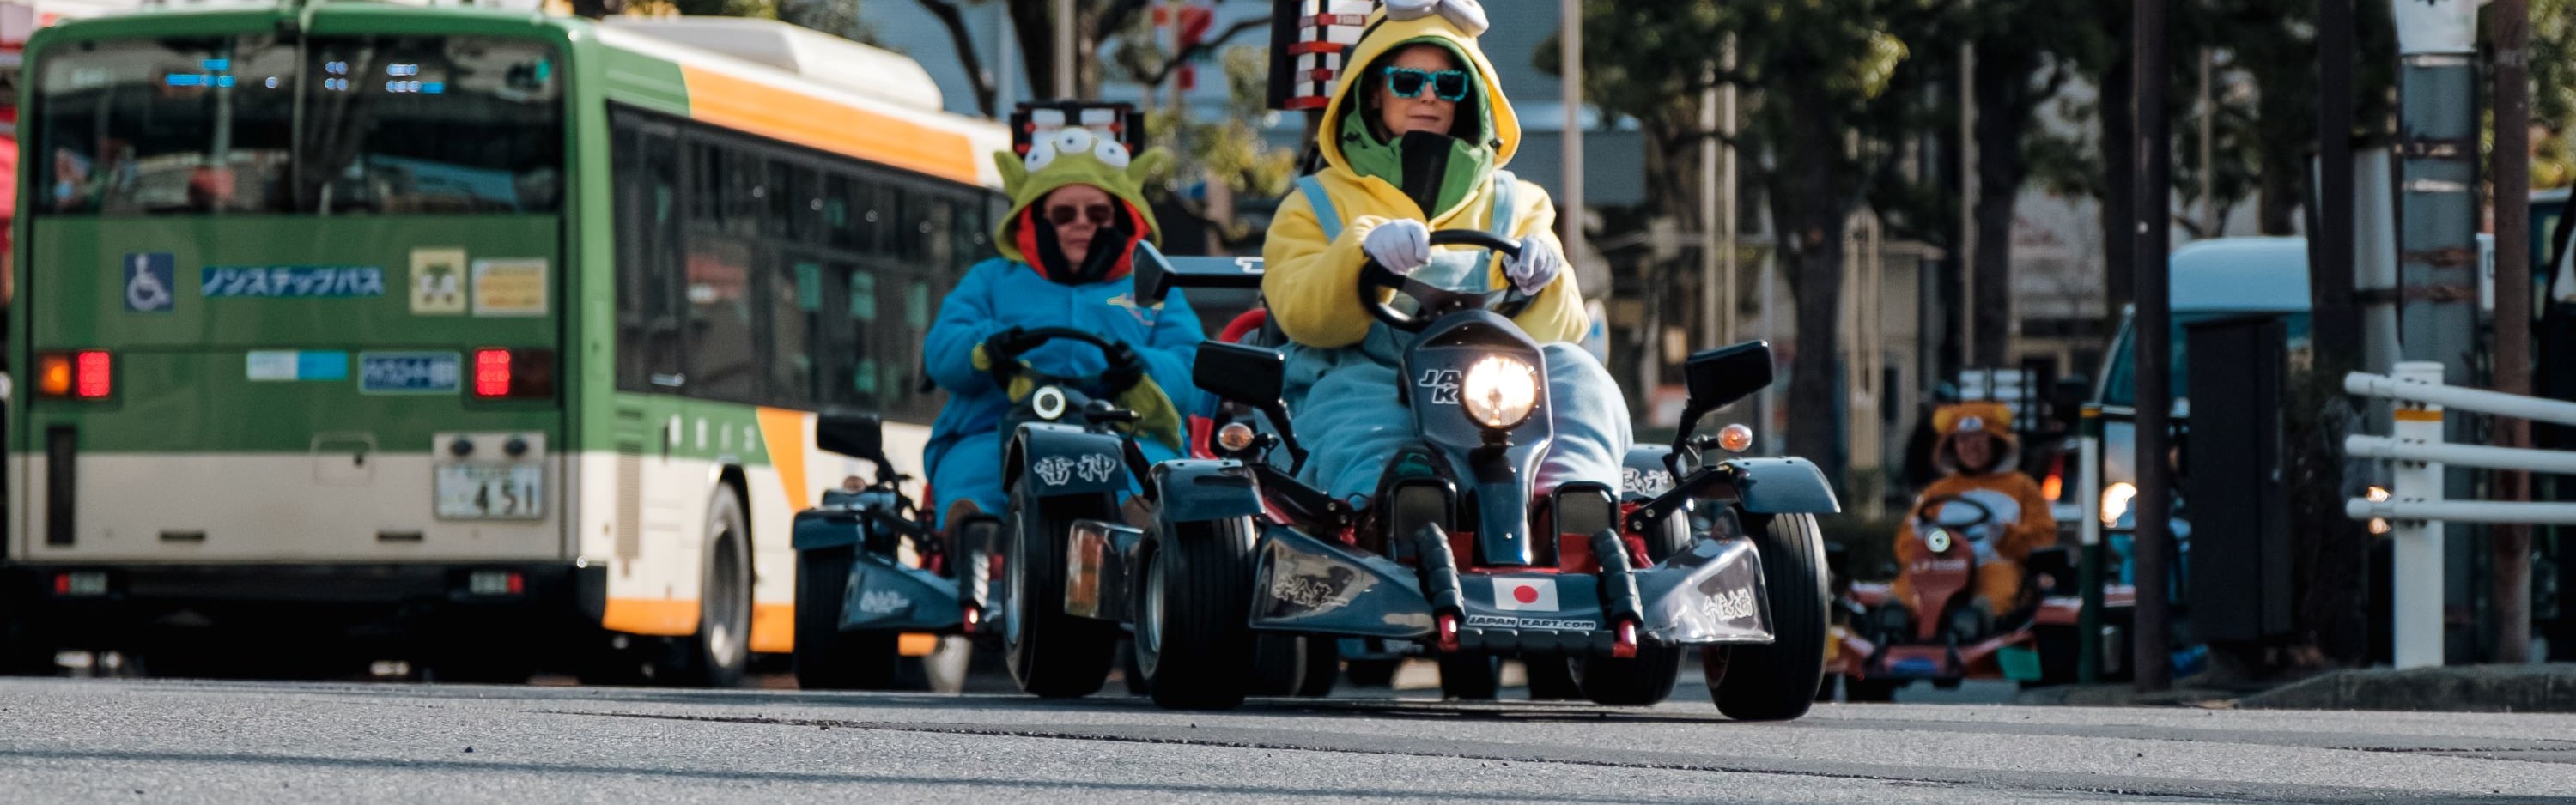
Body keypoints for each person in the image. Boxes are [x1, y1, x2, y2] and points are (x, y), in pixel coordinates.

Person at [1261, 0, 1628, 505]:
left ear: (1470, 96)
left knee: (1576, 372)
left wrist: (1547, 278)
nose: (1428, 97)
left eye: (1449, 84)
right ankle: (1388, 512)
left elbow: (1560, 335)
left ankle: (1572, 502)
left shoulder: (1517, 201)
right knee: (1350, 408)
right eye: (1408, 82)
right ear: (1372, 91)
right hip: (1370, 377)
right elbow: (1306, 318)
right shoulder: (1315, 203)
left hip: (1498, 391)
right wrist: (1360, 251)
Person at [920, 118, 1204, 532]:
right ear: (1036, 219)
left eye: (1098, 213)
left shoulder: (1153, 289)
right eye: (1064, 213)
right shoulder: (991, 279)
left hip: (1127, 435)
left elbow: (1194, 372)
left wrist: (1140, 367)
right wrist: (987, 347)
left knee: (1154, 490)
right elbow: (942, 352)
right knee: (972, 482)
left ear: (1122, 218)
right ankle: (980, 552)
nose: (1082, 223)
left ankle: (1137, 557)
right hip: (995, 432)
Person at [1890, 401, 2057, 620]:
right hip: (1938, 567)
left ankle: (1980, 620)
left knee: (1998, 588)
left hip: (1995, 566)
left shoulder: (2022, 487)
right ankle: (1895, 621)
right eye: (1963, 439)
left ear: (1997, 441)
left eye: (1981, 437)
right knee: (1906, 587)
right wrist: (1921, 538)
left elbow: (2043, 537)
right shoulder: (1937, 492)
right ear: (1951, 445)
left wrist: (2004, 536)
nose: (1972, 446)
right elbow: (1904, 545)